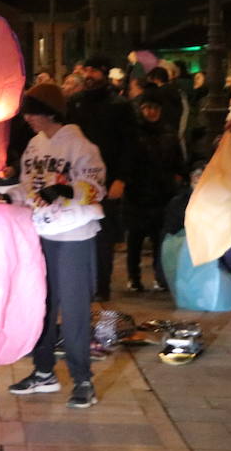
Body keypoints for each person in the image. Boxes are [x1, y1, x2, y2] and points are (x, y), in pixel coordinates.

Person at [8, 82, 107, 410]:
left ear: (50, 112)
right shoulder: (34, 146)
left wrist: (66, 192)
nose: (28, 119)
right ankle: (44, 370)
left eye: (32, 112)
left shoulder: (80, 144)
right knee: (42, 306)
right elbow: (27, 186)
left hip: (74, 234)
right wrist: (9, 195)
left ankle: (83, 379)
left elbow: (96, 186)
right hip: (42, 233)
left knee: (75, 309)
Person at [67, 56, 136, 302]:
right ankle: (81, 282)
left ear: (104, 74)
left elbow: (129, 144)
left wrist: (121, 179)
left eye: (94, 70)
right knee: (77, 229)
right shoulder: (74, 103)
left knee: (102, 236)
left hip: (107, 179)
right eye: (86, 69)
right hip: (76, 178)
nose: (89, 75)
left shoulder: (119, 105)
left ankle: (101, 286)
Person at [125, 90, 185, 292]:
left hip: (162, 194)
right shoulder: (133, 133)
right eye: (147, 108)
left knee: (159, 238)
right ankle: (134, 277)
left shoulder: (168, 133)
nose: (151, 112)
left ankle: (160, 276)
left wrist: (175, 180)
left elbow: (178, 162)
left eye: (155, 108)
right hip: (137, 193)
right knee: (135, 239)